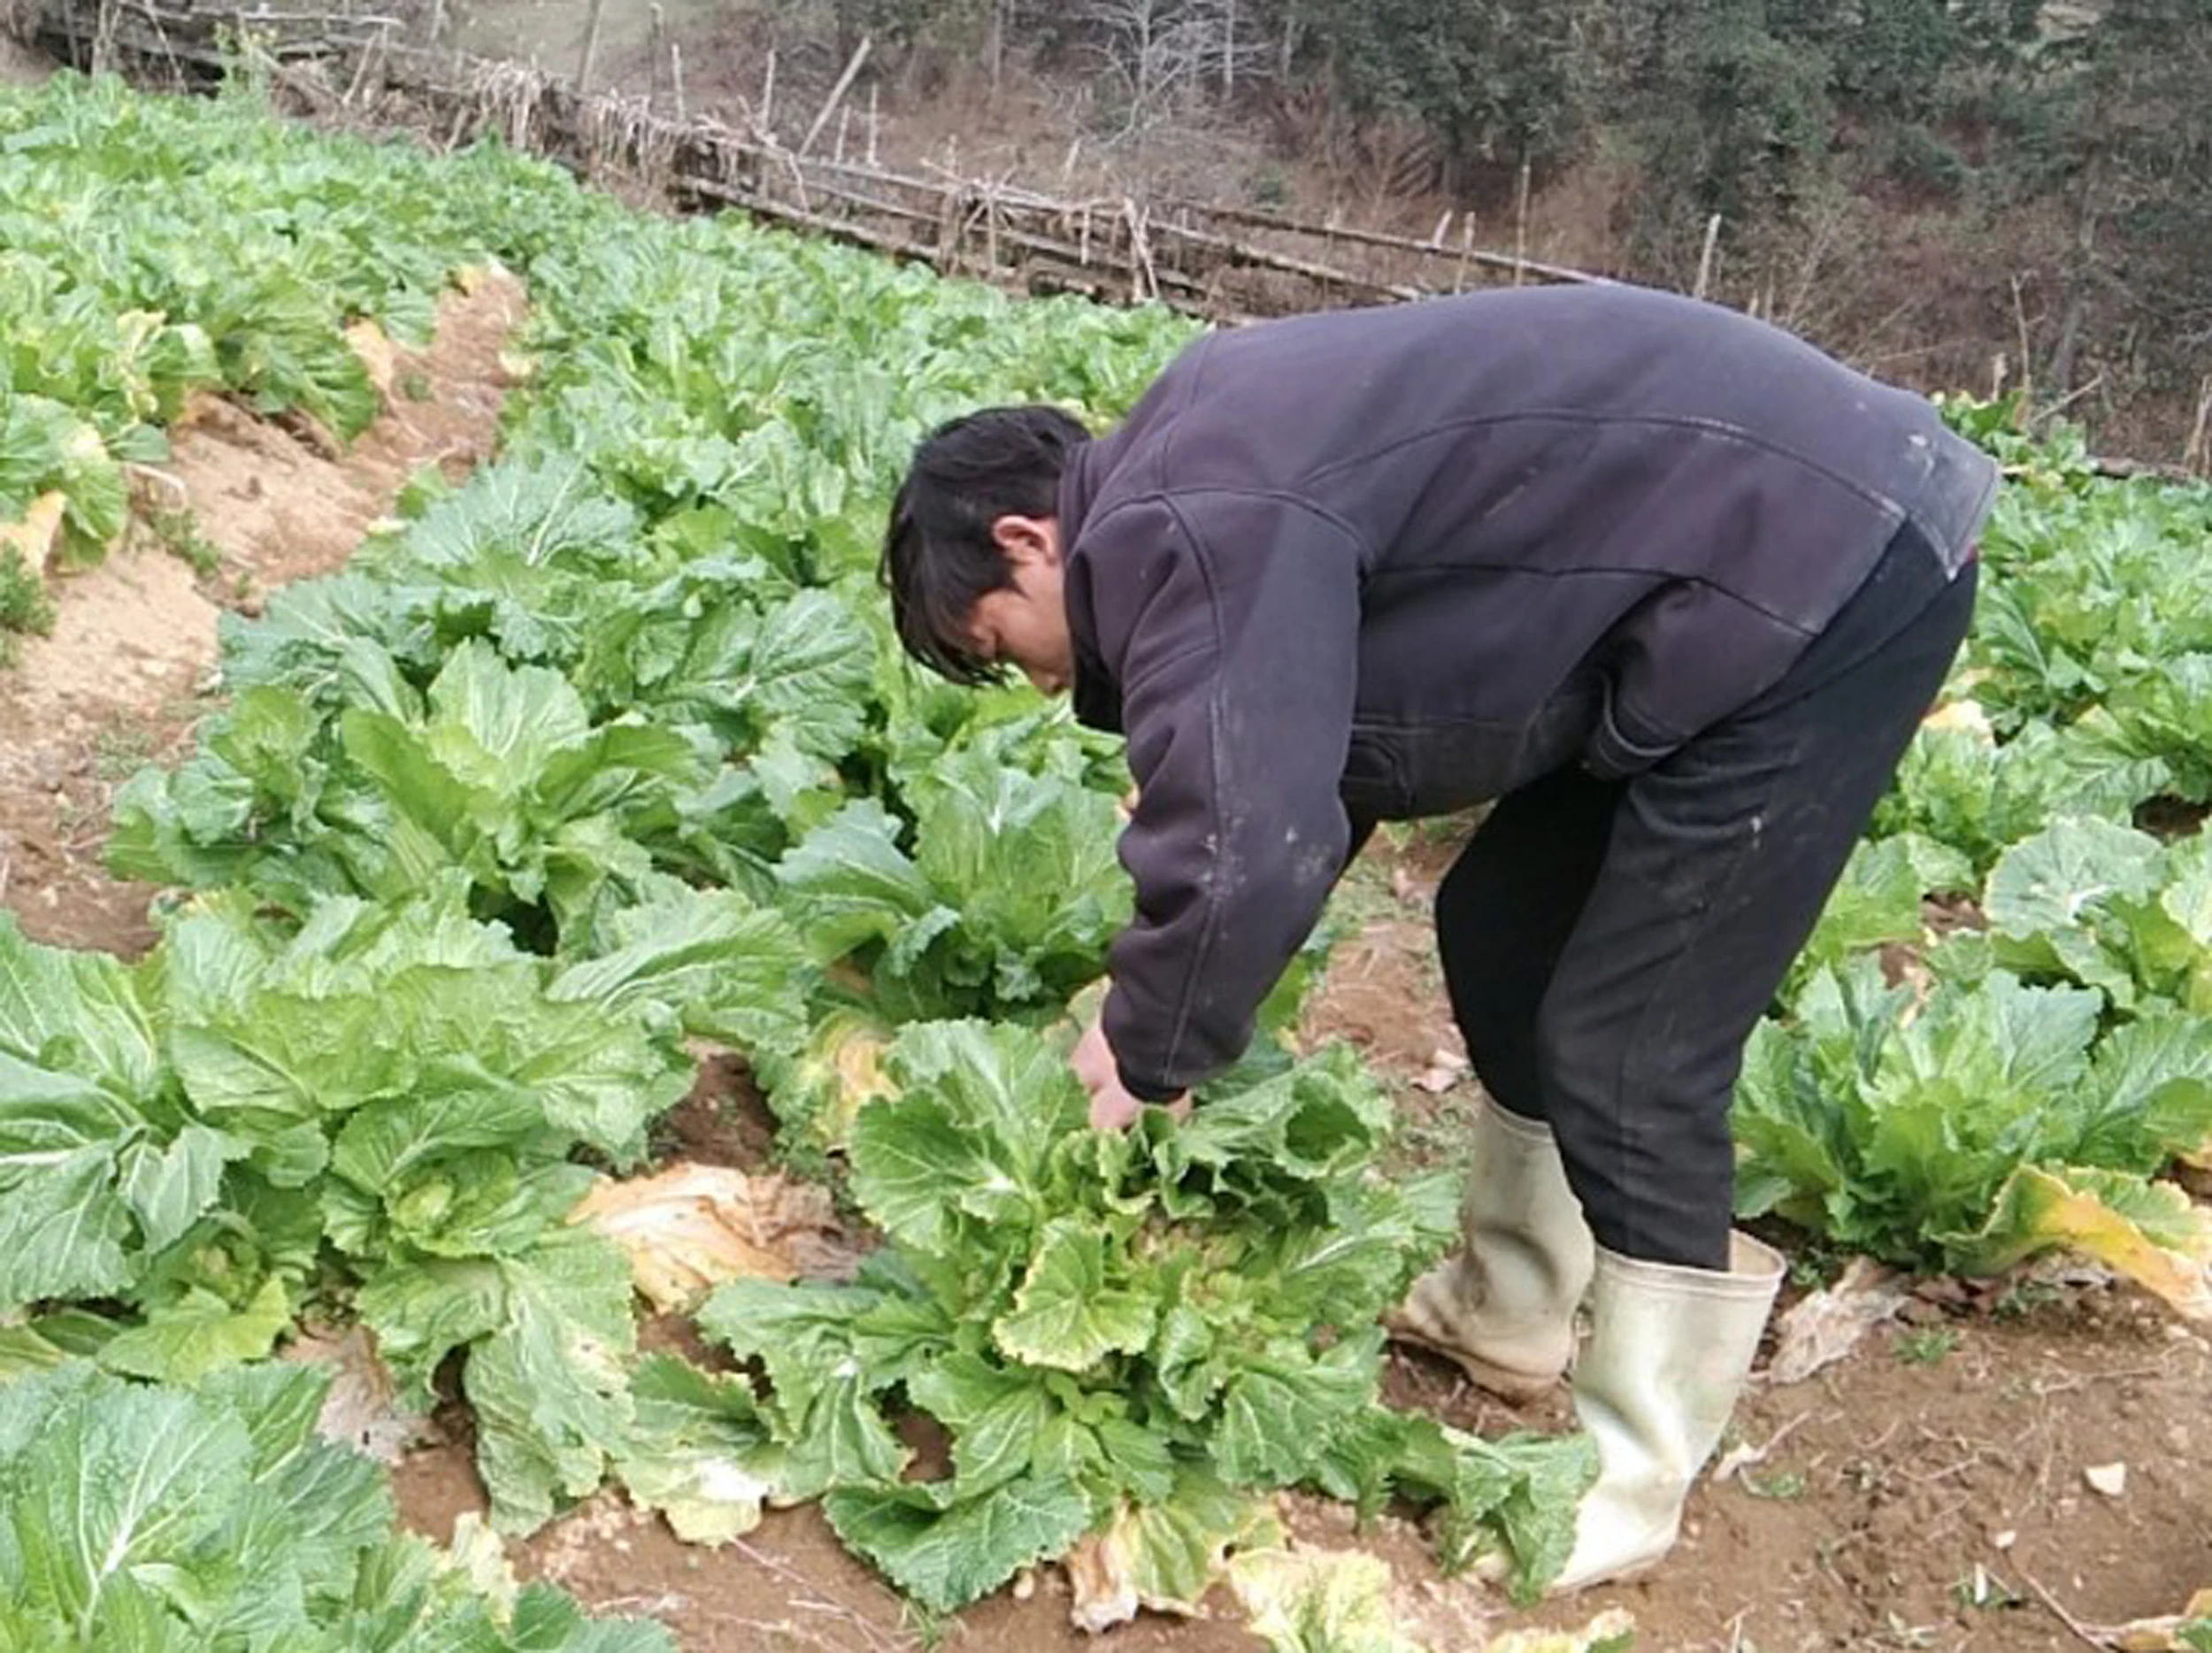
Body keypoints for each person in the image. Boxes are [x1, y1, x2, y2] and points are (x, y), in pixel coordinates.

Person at [878, 283, 1995, 1593]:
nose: (1040, 682)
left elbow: (1253, 835)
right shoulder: (1200, 469)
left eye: (1000, 645)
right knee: (1499, 925)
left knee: (1634, 1045)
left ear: (1027, 537)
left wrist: (1148, 1048)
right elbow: (1308, 760)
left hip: (1832, 565)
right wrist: (1177, 996)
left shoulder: (1190, 516)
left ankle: (1631, 1478)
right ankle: (1512, 1310)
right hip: (1705, 573)